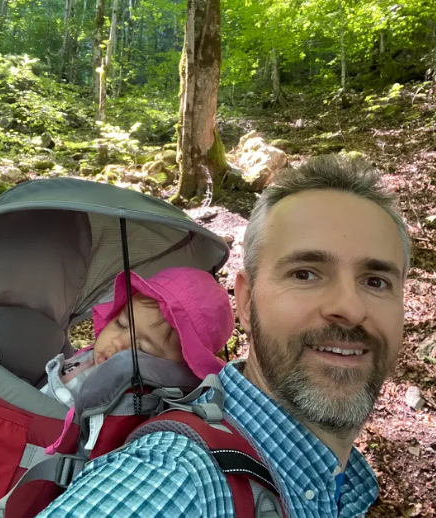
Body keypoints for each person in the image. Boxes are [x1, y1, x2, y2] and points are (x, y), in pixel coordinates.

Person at [36, 154, 410, 518]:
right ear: (246, 303)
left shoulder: (344, 482)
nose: (350, 306)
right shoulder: (175, 481)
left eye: (376, 281)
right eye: (305, 273)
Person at [41, 266, 234, 408]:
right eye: (121, 324)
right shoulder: (93, 356)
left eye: (141, 349)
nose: (118, 342)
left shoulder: (132, 405)